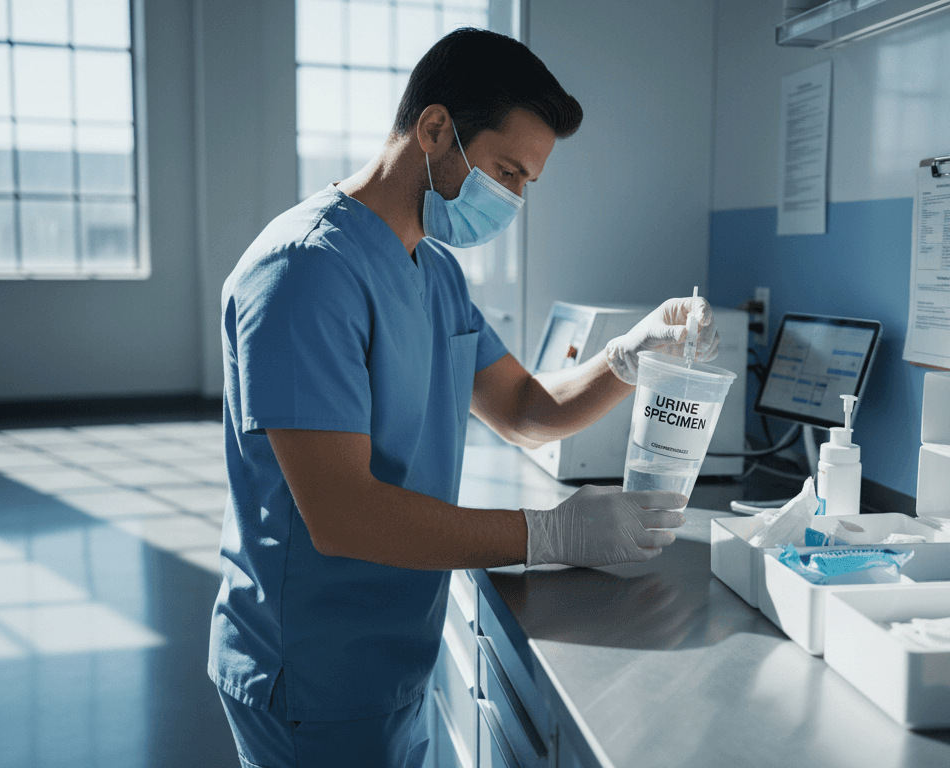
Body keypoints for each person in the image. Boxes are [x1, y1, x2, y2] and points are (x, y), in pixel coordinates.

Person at [209, 28, 719, 768]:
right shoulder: (305, 273)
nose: (512, 200)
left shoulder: (435, 272)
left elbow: (525, 410)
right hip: (312, 672)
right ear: (436, 128)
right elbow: (341, 514)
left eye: (525, 185)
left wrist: (628, 355)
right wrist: (550, 535)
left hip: (390, 659)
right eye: (506, 172)